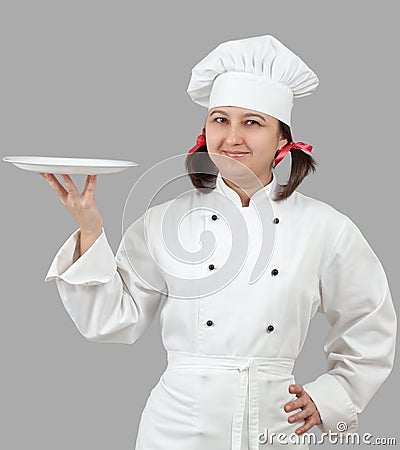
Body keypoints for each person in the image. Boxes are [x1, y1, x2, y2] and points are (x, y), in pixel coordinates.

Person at [40, 35, 397, 450]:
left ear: (283, 139)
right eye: (220, 120)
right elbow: (113, 320)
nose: (232, 137)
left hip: (278, 428)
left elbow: (370, 319)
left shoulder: (325, 227)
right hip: (177, 428)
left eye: (252, 122)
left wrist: (334, 397)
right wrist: (89, 228)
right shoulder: (164, 220)